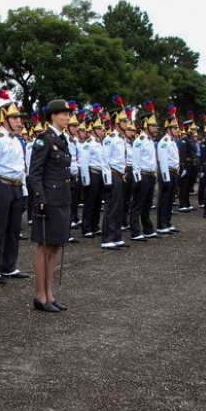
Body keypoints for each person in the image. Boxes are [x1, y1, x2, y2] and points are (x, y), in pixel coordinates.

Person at [28, 99, 72, 312]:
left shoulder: (62, 139)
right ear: (54, 116)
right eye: (64, 114)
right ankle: (40, 295)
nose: (68, 118)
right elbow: (34, 173)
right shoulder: (43, 140)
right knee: (44, 247)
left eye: (68, 114)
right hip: (49, 201)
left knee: (55, 247)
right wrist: (40, 200)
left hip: (61, 199)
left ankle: (50, 294)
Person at [0, 89, 29, 283]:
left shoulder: (17, 141)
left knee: (14, 229)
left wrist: (25, 191)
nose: (19, 121)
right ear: (4, 119)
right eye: (14, 118)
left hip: (17, 187)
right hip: (2, 186)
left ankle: (9, 265)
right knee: (0, 229)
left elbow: (22, 169)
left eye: (19, 117)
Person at [129, 101, 159, 241]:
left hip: (151, 175)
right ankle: (135, 231)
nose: (156, 128)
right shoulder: (140, 140)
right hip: (143, 175)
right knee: (137, 204)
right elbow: (136, 161)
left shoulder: (150, 140)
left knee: (147, 204)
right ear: (146, 124)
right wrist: (138, 178)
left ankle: (147, 229)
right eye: (153, 125)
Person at [101, 100, 128, 249]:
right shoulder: (110, 139)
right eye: (124, 121)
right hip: (112, 174)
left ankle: (116, 236)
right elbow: (104, 160)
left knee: (119, 207)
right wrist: (107, 180)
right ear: (117, 123)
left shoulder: (120, 139)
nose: (127, 123)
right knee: (111, 207)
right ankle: (108, 238)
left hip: (120, 175)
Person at [78, 106, 108, 239]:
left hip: (100, 174)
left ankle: (95, 226)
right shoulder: (88, 143)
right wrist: (86, 180)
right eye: (99, 129)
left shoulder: (101, 143)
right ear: (93, 130)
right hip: (92, 173)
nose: (102, 130)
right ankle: (86, 228)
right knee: (90, 202)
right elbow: (84, 163)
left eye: (102, 128)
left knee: (97, 202)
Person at [156, 105, 180, 235]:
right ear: (169, 129)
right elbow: (163, 161)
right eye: (175, 128)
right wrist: (165, 177)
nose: (177, 130)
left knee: (170, 200)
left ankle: (168, 222)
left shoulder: (172, 141)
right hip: (167, 173)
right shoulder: (164, 142)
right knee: (164, 200)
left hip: (173, 172)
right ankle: (161, 224)